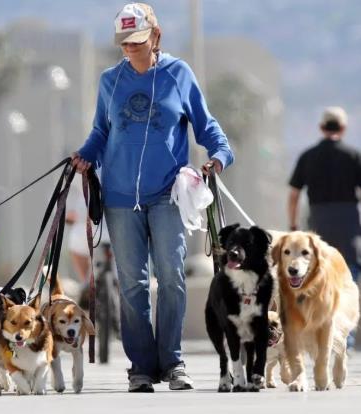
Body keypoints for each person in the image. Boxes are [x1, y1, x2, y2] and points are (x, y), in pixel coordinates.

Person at [71, 3, 234, 392]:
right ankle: (141, 367)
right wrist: (84, 155)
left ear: (155, 36)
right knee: (132, 284)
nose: (129, 48)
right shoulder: (110, 80)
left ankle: (173, 363)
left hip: (166, 195)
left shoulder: (179, 74)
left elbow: (206, 126)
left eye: (136, 40)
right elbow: (100, 132)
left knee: (173, 278)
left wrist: (219, 156)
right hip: (120, 197)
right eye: (123, 42)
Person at [288, 106, 361, 348]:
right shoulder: (353, 155)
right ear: (343, 128)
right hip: (349, 226)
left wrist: (293, 225)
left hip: (318, 228)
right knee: (347, 281)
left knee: (318, 281)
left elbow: (294, 195)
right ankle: (345, 339)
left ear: (321, 128)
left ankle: (318, 335)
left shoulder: (308, 156)